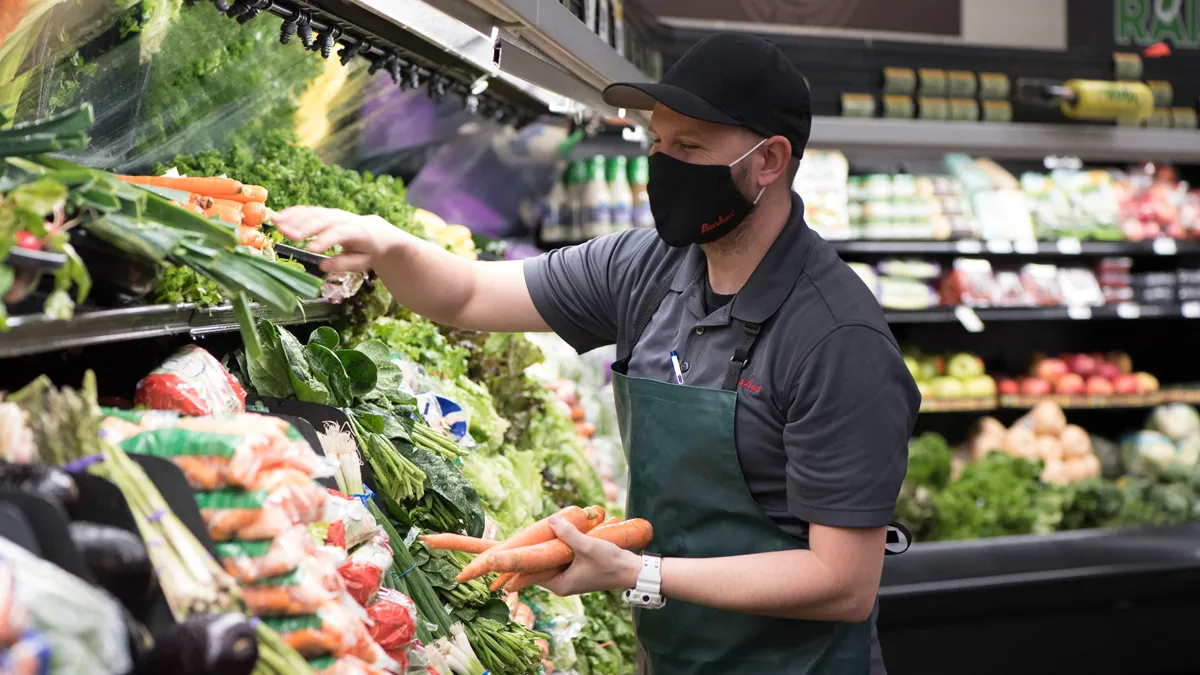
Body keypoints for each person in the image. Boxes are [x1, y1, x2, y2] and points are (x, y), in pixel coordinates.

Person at [274, 31, 918, 675]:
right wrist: (390, 245)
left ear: (770, 160)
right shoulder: (645, 266)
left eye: (689, 147)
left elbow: (842, 583)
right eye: (657, 144)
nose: (662, 166)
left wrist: (640, 574)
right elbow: (468, 296)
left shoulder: (837, 341)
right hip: (669, 656)